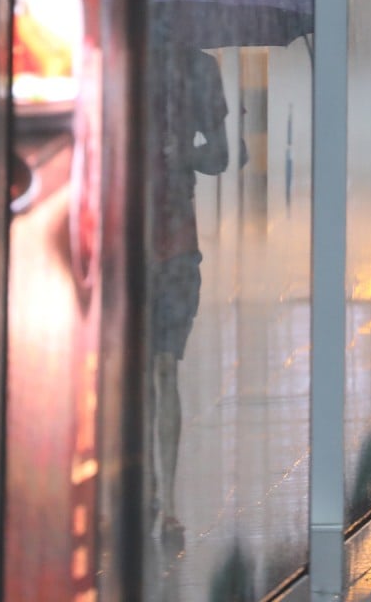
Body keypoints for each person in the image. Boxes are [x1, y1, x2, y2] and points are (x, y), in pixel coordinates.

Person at [146, 43, 230, 548]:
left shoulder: (199, 68)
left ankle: (168, 499)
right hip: (128, 244)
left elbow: (222, 154)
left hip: (177, 246)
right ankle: (147, 487)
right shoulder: (122, 64)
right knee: (140, 374)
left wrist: (187, 153)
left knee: (163, 367)